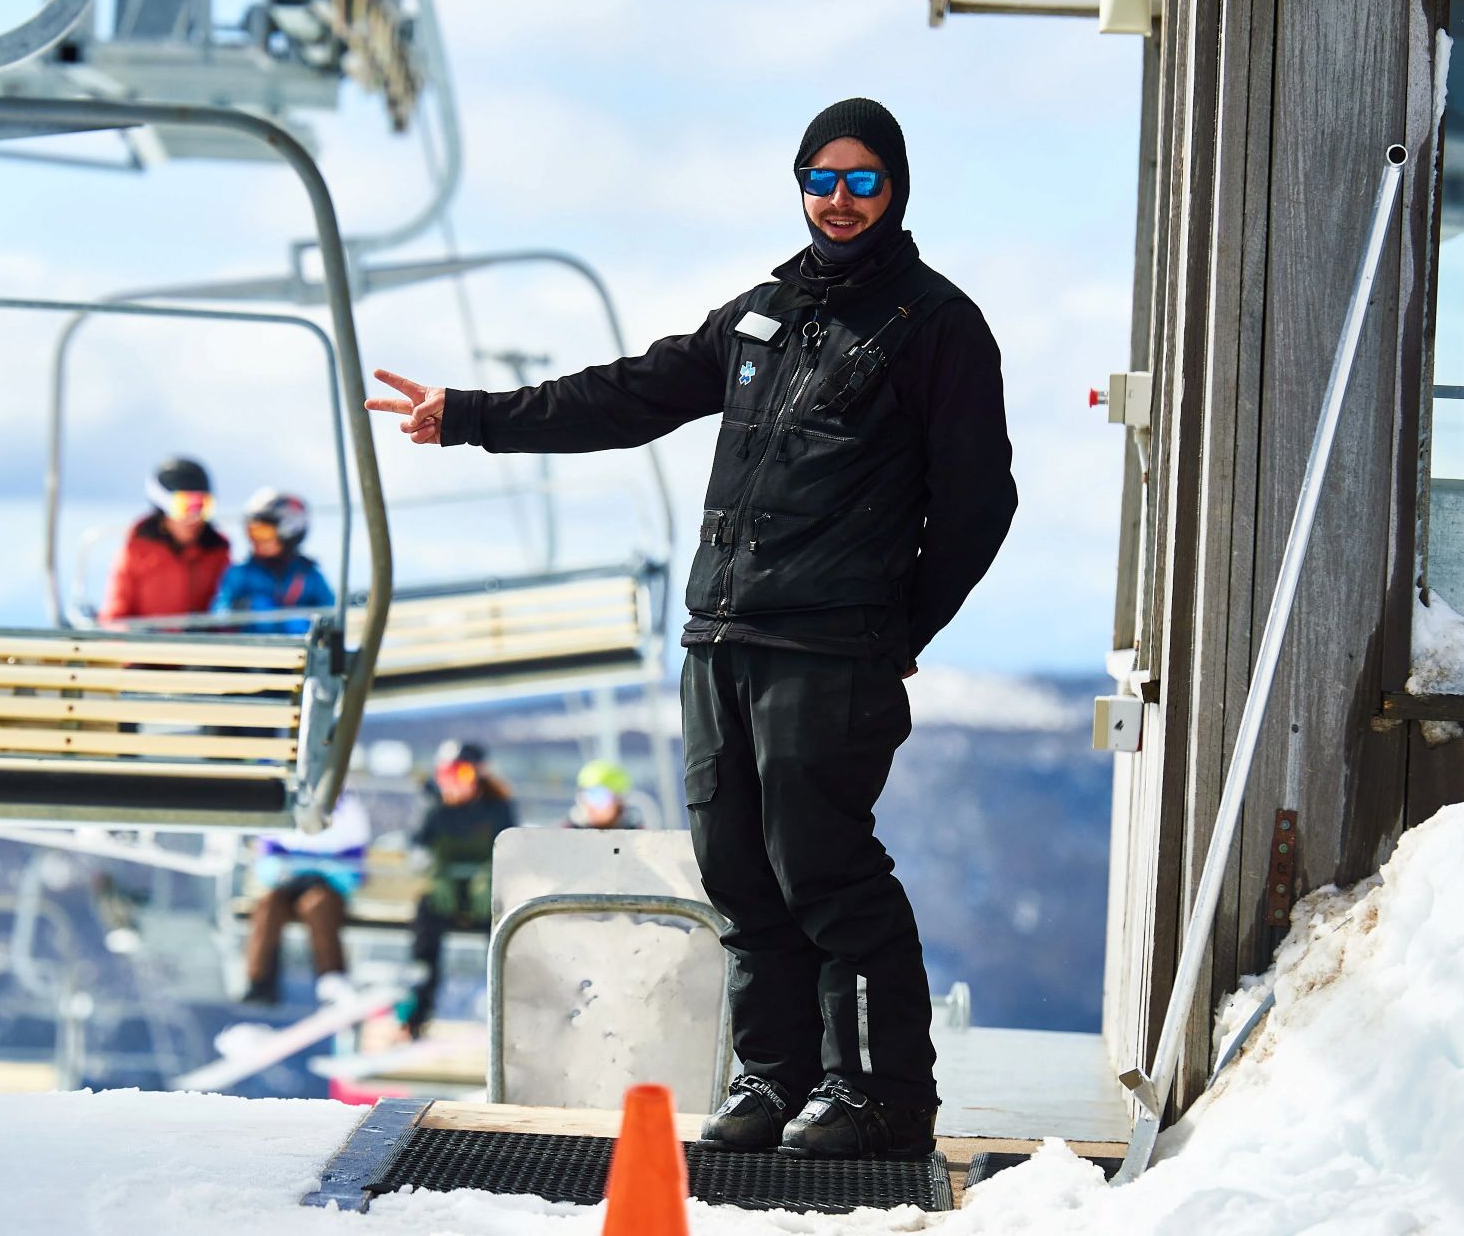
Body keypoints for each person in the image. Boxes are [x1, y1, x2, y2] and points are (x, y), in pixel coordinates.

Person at [363, 98, 1016, 1160]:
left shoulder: (937, 323)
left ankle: (881, 1093)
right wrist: (473, 415)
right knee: (736, 868)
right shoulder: (763, 315)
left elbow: (978, 502)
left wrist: (900, 628)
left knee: (823, 864)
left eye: (861, 181)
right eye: (820, 179)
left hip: (831, 647)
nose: (839, 200)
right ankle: (775, 1076)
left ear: (895, 189)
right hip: (720, 634)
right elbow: (629, 396)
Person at [398, 740, 517, 1039]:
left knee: (502, 929)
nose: (454, 784)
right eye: (446, 775)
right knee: (425, 921)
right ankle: (417, 1007)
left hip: (484, 898)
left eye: (462, 775)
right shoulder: (433, 809)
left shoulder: (496, 809)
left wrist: (490, 879)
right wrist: (436, 875)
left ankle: (508, 1005)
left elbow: (510, 849)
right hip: (445, 896)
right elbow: (418, 850)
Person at [241, 791, 371, 1007]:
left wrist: (326, 872)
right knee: (268, 906)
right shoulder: (285, 803)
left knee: (317, 905)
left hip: (327, 886)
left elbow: (355, 864)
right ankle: (260, 979)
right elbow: (267, 856)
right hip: (287, 883)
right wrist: (283, 873)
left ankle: (331, 977)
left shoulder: (348, 812)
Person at [100, 456, 232, 626]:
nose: (194, 517)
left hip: (199, 642)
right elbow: (115, 617)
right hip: (148, 641)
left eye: (203, 505)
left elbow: (226, 612)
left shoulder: (216, 550)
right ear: (163, 505)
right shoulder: (136, 552)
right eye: (184, 506)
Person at [211, 489, 335, 634]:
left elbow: (330, 613)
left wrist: (304, 621)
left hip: (298, 646)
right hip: (253, 646)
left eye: (263, 532)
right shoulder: (241, 574)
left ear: (288, 531)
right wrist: (241, 609)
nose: (255, 540)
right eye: (251, 531)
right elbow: (217, 613)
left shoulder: (308, 575)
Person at [563, 759, 643, 830]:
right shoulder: (566, 833)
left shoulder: (639, 836)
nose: (590, 805)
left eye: (598, 796)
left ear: (619, 801)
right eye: (585, 796)